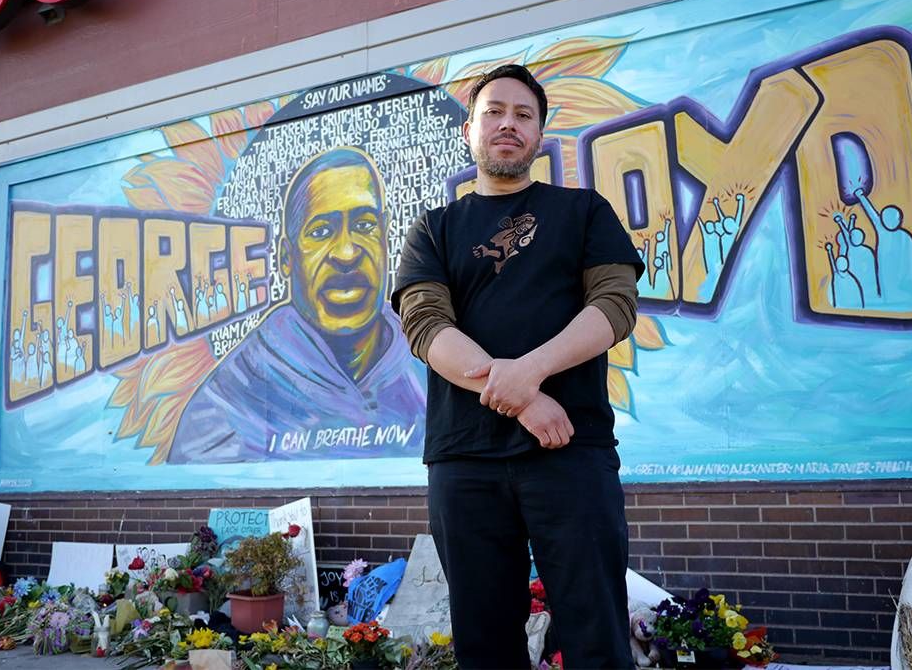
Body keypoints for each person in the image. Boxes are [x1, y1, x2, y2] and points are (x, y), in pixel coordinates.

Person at [392, 64, 643, 669]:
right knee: (484, 640)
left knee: (595, 629)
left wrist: (530, 370)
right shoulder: (434, 229)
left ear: (539, 135)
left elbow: (615, 305)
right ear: (470, 132)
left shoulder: (583, 211)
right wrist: (524, 397)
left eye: (523, 115)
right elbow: (426, 328)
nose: (508, 124)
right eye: (494, 112)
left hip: (571, 449)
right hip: (465, 459)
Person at [169, 147, 426, 463]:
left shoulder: (428, 360)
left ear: (386, 235)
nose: (347, 253)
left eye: (364, 225)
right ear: (287, 258)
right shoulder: (226, 405)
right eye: (321, 231)